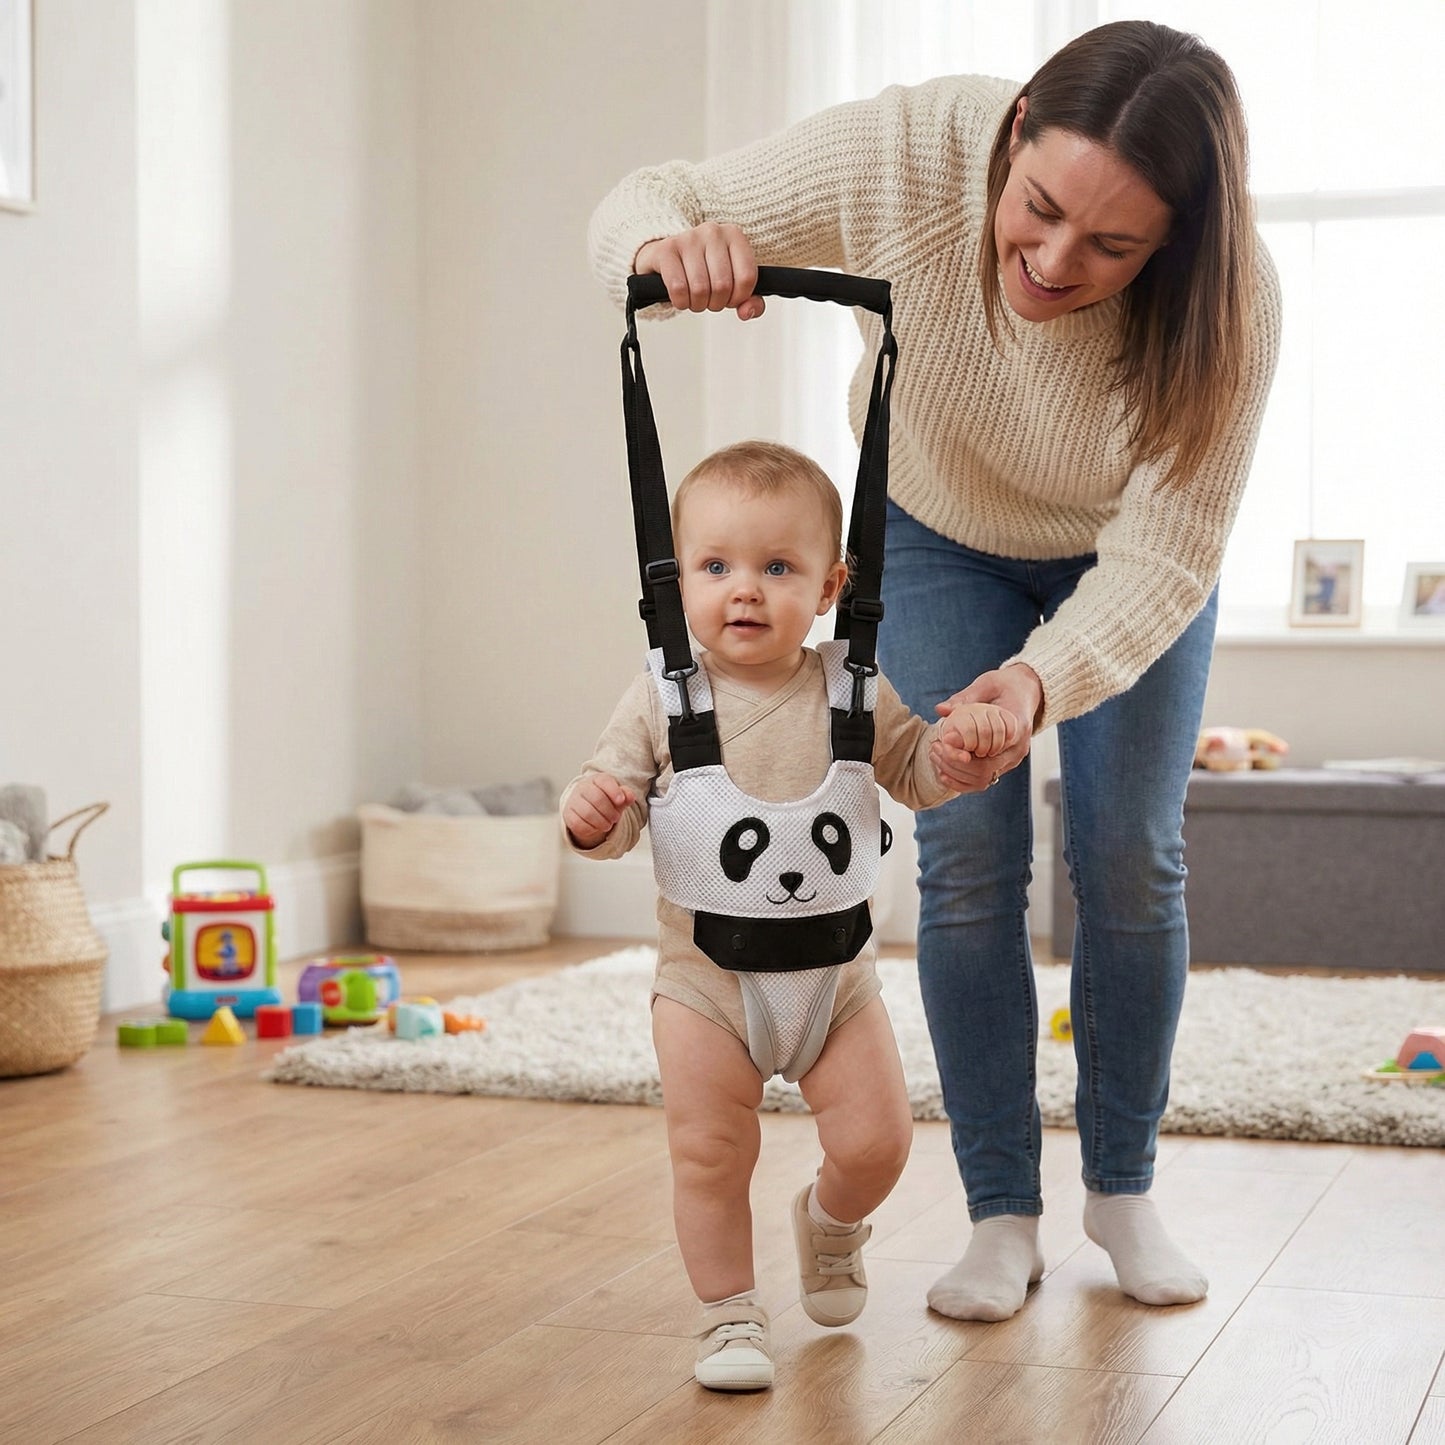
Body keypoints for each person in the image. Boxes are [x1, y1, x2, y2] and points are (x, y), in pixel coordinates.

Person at [588, 19, 1282, 1323]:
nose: (1053, 259)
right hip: (931, 524)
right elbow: (658, 194)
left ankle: (1123, 1186)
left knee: (1129, 848)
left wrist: (1037, 681)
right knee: (966, 844)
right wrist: (659, 248)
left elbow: (1165, 555)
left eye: (1112, 246)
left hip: (1127, 566)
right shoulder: (914, 151)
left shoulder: (1233, 313)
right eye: (1039, 209)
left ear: (1178, 242)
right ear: (1015, 130)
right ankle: (999, 1211)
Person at [561, 440, 1018, 1390]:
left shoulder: (851, 686)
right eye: (715, 566)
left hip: (835, 985)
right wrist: (594, 816)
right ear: (673, 578)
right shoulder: (660, 697)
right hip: (704, 986)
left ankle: (831, 1221)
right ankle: (728, 1313)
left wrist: (960, 755)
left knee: (877, 1142)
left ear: (830, 585)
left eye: (777, 567)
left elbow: (914, 771)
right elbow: (614, 804)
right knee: (708, 1150)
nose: (745, 590)